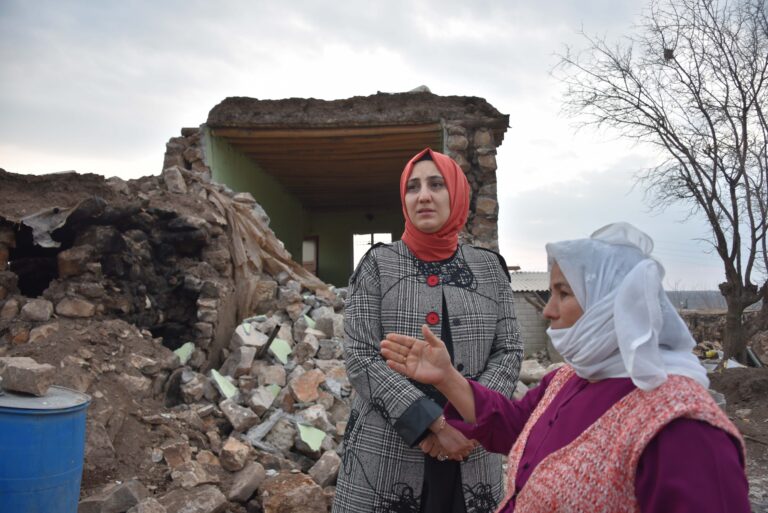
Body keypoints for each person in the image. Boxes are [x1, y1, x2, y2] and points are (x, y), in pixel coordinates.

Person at [381, 222, 750, 513]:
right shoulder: (568, 379)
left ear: (611, 303)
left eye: (563, 293)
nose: (547, 309)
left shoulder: (683, 428)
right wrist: (447, 378)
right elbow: (512, 425)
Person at [332, 148, 523, 513]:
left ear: (456, 192)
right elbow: (360, 355)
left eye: (436, 184)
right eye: (413, 187)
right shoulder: (378, 265)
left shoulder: (489, 269)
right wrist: (433, 424)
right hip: (388, 452)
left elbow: (509, 350)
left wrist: (471, 420)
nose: (423, 196)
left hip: (472, 453)